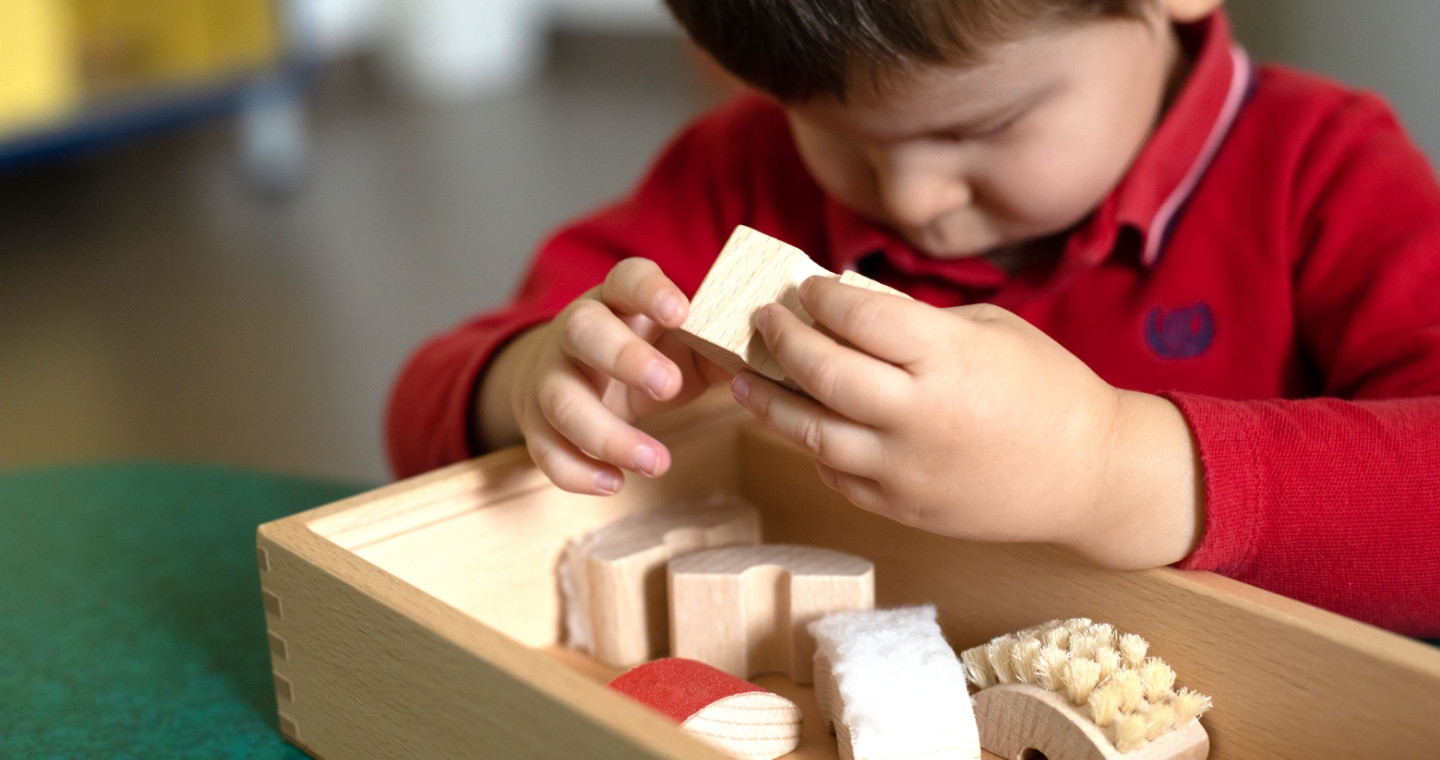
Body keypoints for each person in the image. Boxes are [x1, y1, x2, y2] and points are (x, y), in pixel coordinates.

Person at [386, 0, 1440, 638]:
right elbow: (425, 408)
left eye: (985, 125)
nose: (912, 199)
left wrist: (1112, 466)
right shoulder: (735, 175)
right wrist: (533, 384)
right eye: (833, 131)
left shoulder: (1323, 176)